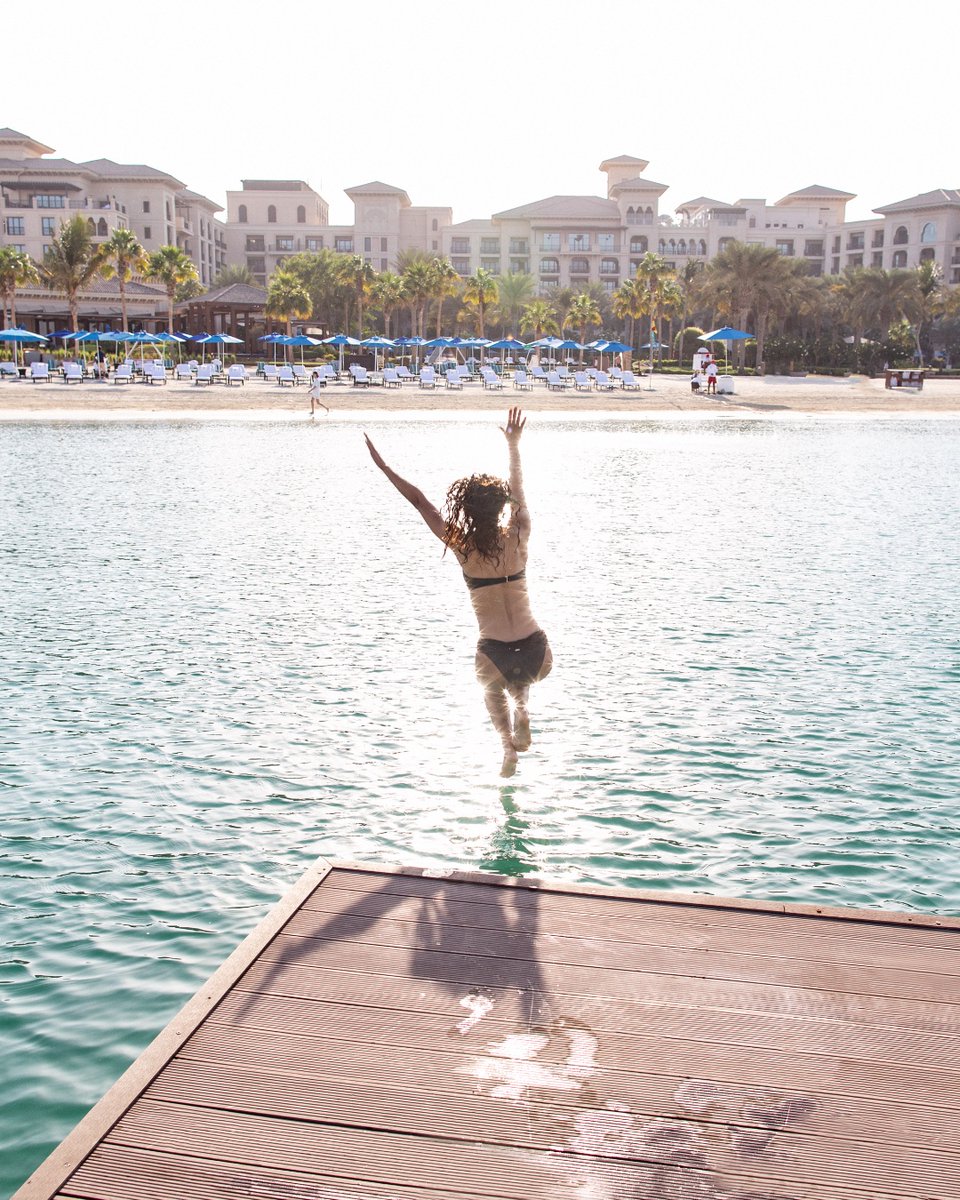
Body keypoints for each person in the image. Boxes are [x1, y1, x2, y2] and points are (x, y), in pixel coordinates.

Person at [364, 407, 552, 777]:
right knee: (518, 677)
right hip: (538, 651)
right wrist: (513, 444)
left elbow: (420, 502)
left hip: (494, 652)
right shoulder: (519, 533)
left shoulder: (462, 547)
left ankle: (507, 747)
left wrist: (384, 468)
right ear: (502, 507)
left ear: (466, 511)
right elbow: (518, 487)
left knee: (491, 687)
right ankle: (523, 708)